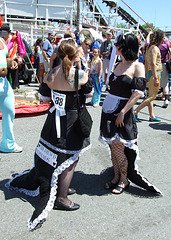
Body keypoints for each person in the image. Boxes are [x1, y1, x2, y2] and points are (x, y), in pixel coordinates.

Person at [6, 39, 93, 231]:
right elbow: (89, 94)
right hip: (72, 122)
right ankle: (61, 197)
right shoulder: (79, 75)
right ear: (73, 56)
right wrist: (79, 67)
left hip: (54, 121)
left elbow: (45, 98)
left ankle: (62, 187)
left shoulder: (51, 74)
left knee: (56, 156)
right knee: (70, 159)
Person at [99, 33, 162, 196]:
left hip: (122, 112)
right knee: (112, 147)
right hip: (109, 111)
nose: (115, 47)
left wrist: (123, 112)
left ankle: (124, 180)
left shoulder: (137, 66)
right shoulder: (118, 63)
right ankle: (116, 176)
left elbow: (137, 93)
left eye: (119, 45)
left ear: (126, 47)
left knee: (119, 149)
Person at [134, 30, 164, 122]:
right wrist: (155, 77)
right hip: (155, 73)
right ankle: (135, 111)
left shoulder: (149, 47)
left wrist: (147, 73)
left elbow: (147, 62)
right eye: (163, 37)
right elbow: (153, 63)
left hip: (150, 73)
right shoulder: (155, 48)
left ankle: (151, 115)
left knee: (150, 95)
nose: (164, 39)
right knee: (152, 96)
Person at [0, 34, 23, 153]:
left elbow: (5, 58)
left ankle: (8, 144)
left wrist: (11, 62)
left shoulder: (2, 41)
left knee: (9, 112)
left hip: (3, 82)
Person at [159, 35, 170, 108]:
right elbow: (168, 44)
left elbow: (147, 43)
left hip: (157, 64)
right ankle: (166, 99)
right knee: (165, 83)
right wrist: (165, 38)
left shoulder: (156, 46)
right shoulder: (166, 46)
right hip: (165, 64)